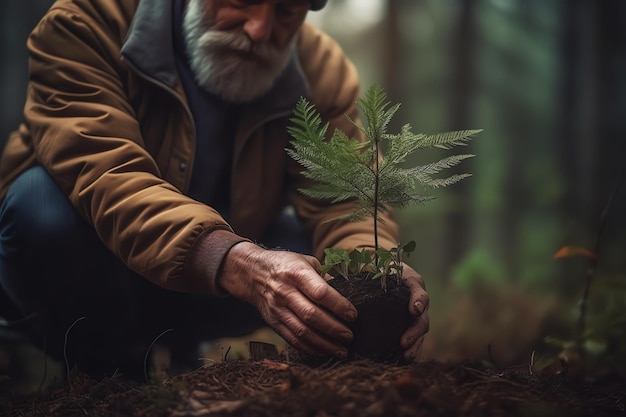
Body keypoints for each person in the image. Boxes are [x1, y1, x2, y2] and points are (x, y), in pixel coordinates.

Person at [0, 0, 429, 379]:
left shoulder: (320, 69)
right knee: (40, 207)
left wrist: (377, 270)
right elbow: (107, 176)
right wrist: (241, 264)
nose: (259, 29)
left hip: (204, 285)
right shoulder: (88, 22)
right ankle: (105, 369)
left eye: (287, 9)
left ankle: (183, 344)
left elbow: (344, 199)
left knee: (314, 254)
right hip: (84, 274)